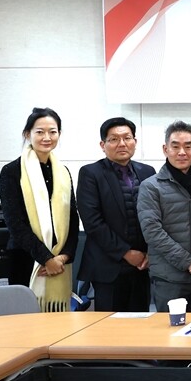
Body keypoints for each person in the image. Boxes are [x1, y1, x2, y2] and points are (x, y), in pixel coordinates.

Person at [0, 107, 79, 311]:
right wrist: (45, 259)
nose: (47, 137)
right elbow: (15, 223)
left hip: (60, 260)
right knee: (25, 318)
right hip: (25, 258)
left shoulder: (63, 172)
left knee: (57, 321)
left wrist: (62, 257)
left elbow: (72, 217)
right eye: (40, 132)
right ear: (28, 134)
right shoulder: (11, 171)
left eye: (53, 131)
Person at [76, 117, 155, 312]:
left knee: (141, 322)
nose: (122, 143)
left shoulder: (147, 172)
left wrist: (149, 253)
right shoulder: (90, 173)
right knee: (109, 326)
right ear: (103, 145)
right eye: (114, 139)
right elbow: (93, 222)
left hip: (142, 266)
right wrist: (126, 253)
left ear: (135, 141)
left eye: (127, 138)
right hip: (108, 267)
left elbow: (155, 217)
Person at [137, 121, 191, 313]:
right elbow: (152, 231)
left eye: (188, 146)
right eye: (175, 146)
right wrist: (187, 262)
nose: (182, 152)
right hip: (168, 279)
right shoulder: (151, 187)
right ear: (165, 149)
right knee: (171, 330)